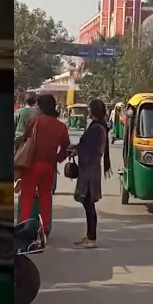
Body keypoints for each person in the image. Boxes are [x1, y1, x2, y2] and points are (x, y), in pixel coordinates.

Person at [17, 94, 70, 238]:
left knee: (27, 195)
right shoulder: (61, 126)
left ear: (41, 106)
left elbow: (25, 138)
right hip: (49, 166)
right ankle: (45, 228)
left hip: (33, 164)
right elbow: (66, 147)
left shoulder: (36, 122)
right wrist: (57, 159)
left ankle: (24, 226)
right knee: (45, 197)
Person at [73, 99, 113, 247]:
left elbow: (88, 147)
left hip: (90, 168)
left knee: (88, 202)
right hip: (92, 167)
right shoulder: (99, 126)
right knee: (87, 202)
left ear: (93, 111)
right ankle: (90, 235)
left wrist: (76, 150)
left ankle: (92, 238)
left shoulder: (96, 128)